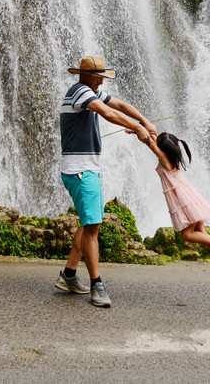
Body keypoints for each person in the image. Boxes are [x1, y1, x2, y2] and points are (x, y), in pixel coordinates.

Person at [55, 54, 156, 307]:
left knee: (90, 223)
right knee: (93, 227)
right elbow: (107, 113)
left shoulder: (90, 91)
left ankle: (68, 274)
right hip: (80, 171)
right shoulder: (80, 92)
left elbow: (119, 105)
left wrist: (145, 121)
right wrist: (138, 129)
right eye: (99, 78)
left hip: (87, 169)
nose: (101, 83)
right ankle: (97, 285)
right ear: (88, 76)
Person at [136, 130, 210, 274]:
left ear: (162, 149)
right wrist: (143, 127)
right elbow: (155, 139)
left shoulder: (165, 160)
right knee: (200, 232)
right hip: (191, 198)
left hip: (184, 201)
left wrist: (138, 130)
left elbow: (151, 144)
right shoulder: (172, 158)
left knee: (187, 235)